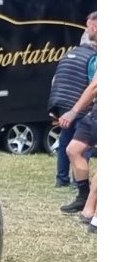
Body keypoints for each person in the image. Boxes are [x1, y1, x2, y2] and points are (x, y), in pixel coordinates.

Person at [47, 13, 96, 188]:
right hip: (80, 106)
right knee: (82, 145)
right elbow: (93, 84)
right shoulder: (93, 58)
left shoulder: (68, 54)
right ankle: (79, 182)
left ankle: (61, 178)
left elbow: (55, 80)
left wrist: (55, 106)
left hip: (62, 104)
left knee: (65, 142)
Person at [59, 13, 97, 218]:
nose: (86, 30)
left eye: (88, 26)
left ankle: (92, 209)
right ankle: (83, 197)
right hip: (95, 110)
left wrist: (73, 112)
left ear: (96, 27)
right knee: (73, 149)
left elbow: (95, 86)